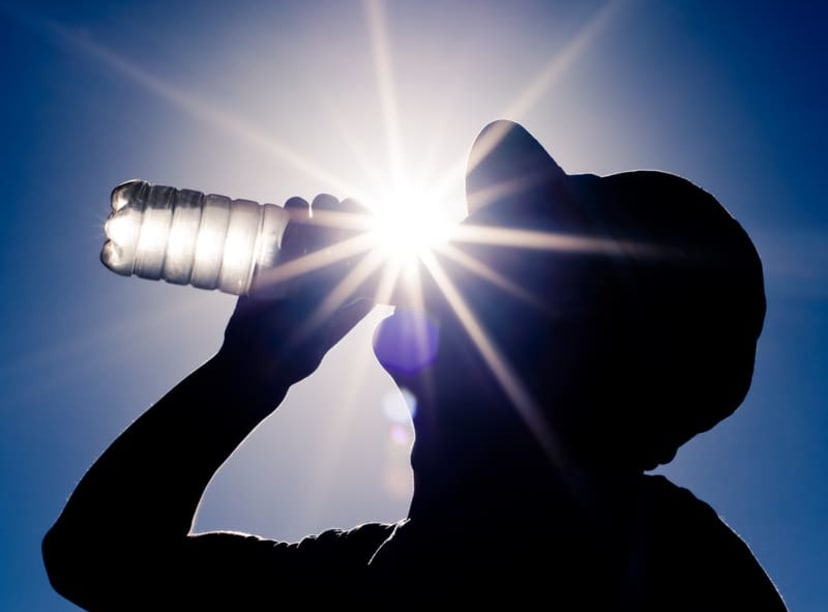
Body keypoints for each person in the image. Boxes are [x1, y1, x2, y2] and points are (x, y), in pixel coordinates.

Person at [43, 120, 786, 610]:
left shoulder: (673, 567)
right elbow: (94, 558)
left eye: (522, 267)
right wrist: (253, 368)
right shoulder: (347, 574)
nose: (468, 259)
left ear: (592, 354)